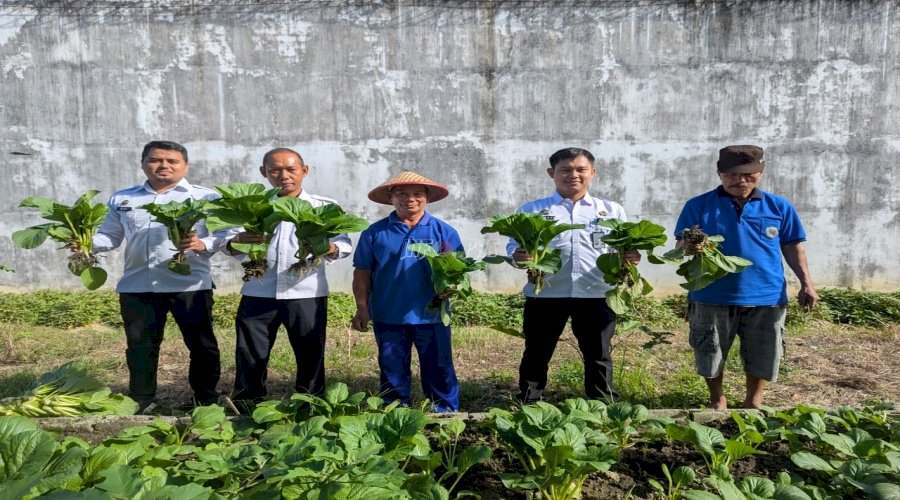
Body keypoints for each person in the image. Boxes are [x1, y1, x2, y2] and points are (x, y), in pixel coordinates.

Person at [674, 145, 819, 410]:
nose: (740, 180)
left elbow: (793, 246)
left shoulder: (779, 207)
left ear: (760, 173)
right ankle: (717, 399)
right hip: (711, 293)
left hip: (766, 294)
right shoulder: (698, 206)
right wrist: (689, 246)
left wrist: (807, 283)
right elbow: (680, 246)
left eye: (748, 174)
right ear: (720, 173)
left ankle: (753, 400)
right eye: (731, 174)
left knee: (763, 352)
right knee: (710, 350)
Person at [93, 140, 226, 412]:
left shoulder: (206, 197)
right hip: (138, 284)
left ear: (185, 166)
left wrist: (203, 244)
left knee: (201, 345)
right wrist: (84, 243)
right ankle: (141, 399)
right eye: (156, 160)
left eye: (172, 161)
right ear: (143, 164)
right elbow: (110, 236)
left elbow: (224, 235)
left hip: (189, 283)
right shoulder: (123, 198)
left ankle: (205, 399)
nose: (163, 165)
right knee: (140, 346)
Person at [509, 147, 640, 403]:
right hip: (546, 293)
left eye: (581, 169)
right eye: (565, 170)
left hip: (597, 292)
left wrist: (631, 257)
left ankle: (602, 404)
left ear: (592, 172)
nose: (574, 175)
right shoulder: (532, 210)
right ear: (551, 173)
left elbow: (624, 246)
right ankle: (529, 401)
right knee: (537, 351)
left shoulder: (611, 210)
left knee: (599, 353)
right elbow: (513, 247)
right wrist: (518, 256)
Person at [227, 148, 351, 405]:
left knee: (310, 351)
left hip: (305, 291)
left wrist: (328, 247)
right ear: (264, 173)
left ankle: (310, 402)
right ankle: (246, 403)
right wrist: (237, 241)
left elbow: (344, 245)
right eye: (275, 170)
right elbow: (225, 243)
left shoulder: (324, 206)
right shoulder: (254, 206)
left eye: (291, 169)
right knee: (250, 351)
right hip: (258, 290)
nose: (284, 175)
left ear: (304, 171)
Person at [351, 171, 462, 413]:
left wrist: (450, 279)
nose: (409, 199)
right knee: (392, 367)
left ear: (428, 198)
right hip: (388, 313)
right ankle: (396, 411)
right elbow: (362, 272)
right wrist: (362, 307)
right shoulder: (375, 233)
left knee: (439, 365)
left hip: (431, 314)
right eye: (401, 193)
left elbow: (458, 271)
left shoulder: (444, 232)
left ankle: (445, 411)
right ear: (391, 197)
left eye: (417, 194)